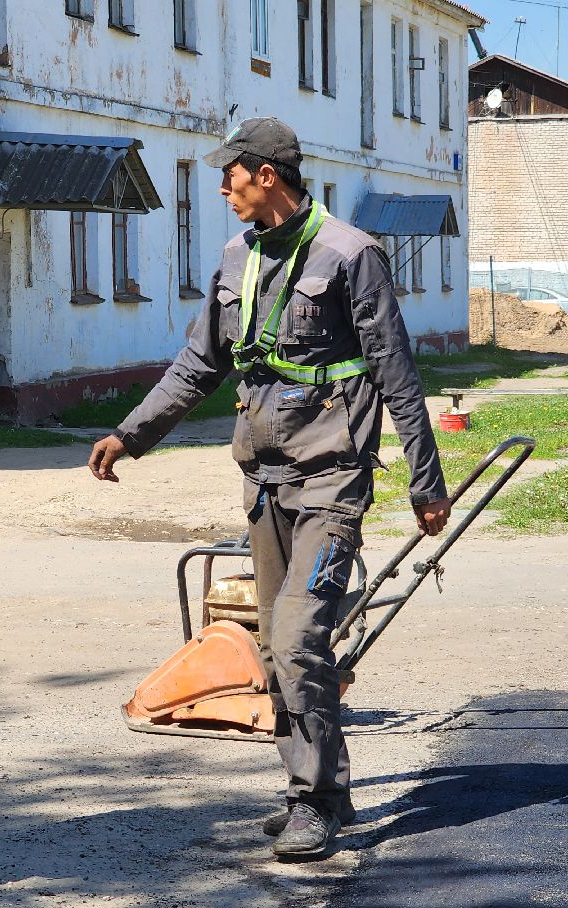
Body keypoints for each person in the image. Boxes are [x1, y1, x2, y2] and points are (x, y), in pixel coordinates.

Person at [88, 117, 451, 858]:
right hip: (264, 481)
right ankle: (314, 791)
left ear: (268, 175)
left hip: (331, 479)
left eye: (232, 173)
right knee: (278, 645)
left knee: (296, 637)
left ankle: (315, 796)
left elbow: (397, 372)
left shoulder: (352, 255)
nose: (222, 186)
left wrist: (425, 479)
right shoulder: (236, 258)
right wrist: (131, 434)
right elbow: (198, 366)